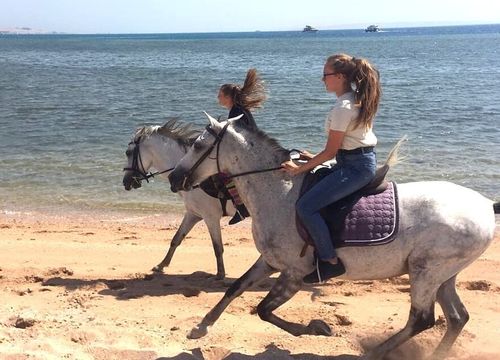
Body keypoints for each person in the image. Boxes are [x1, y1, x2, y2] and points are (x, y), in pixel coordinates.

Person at [281, 54, 380, 283]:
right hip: (352, 160)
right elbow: (341, 147)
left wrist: (298, 169)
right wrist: (313, 158)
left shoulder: (344, 107)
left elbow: (330, 152)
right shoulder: (353, 99)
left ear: (340, 76)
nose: (322, 79)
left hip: (355, 167)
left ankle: (329, 261)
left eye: (325, 75)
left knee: (305, 206)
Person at [217, 68, 267, 224]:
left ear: (227, 97)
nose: (218, 98)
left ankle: (240, 206)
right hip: (254, 149)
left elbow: (237, 139)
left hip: (251, 153)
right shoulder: (238, 110)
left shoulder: (236, 113)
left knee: (223, 175)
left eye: (220, 95)